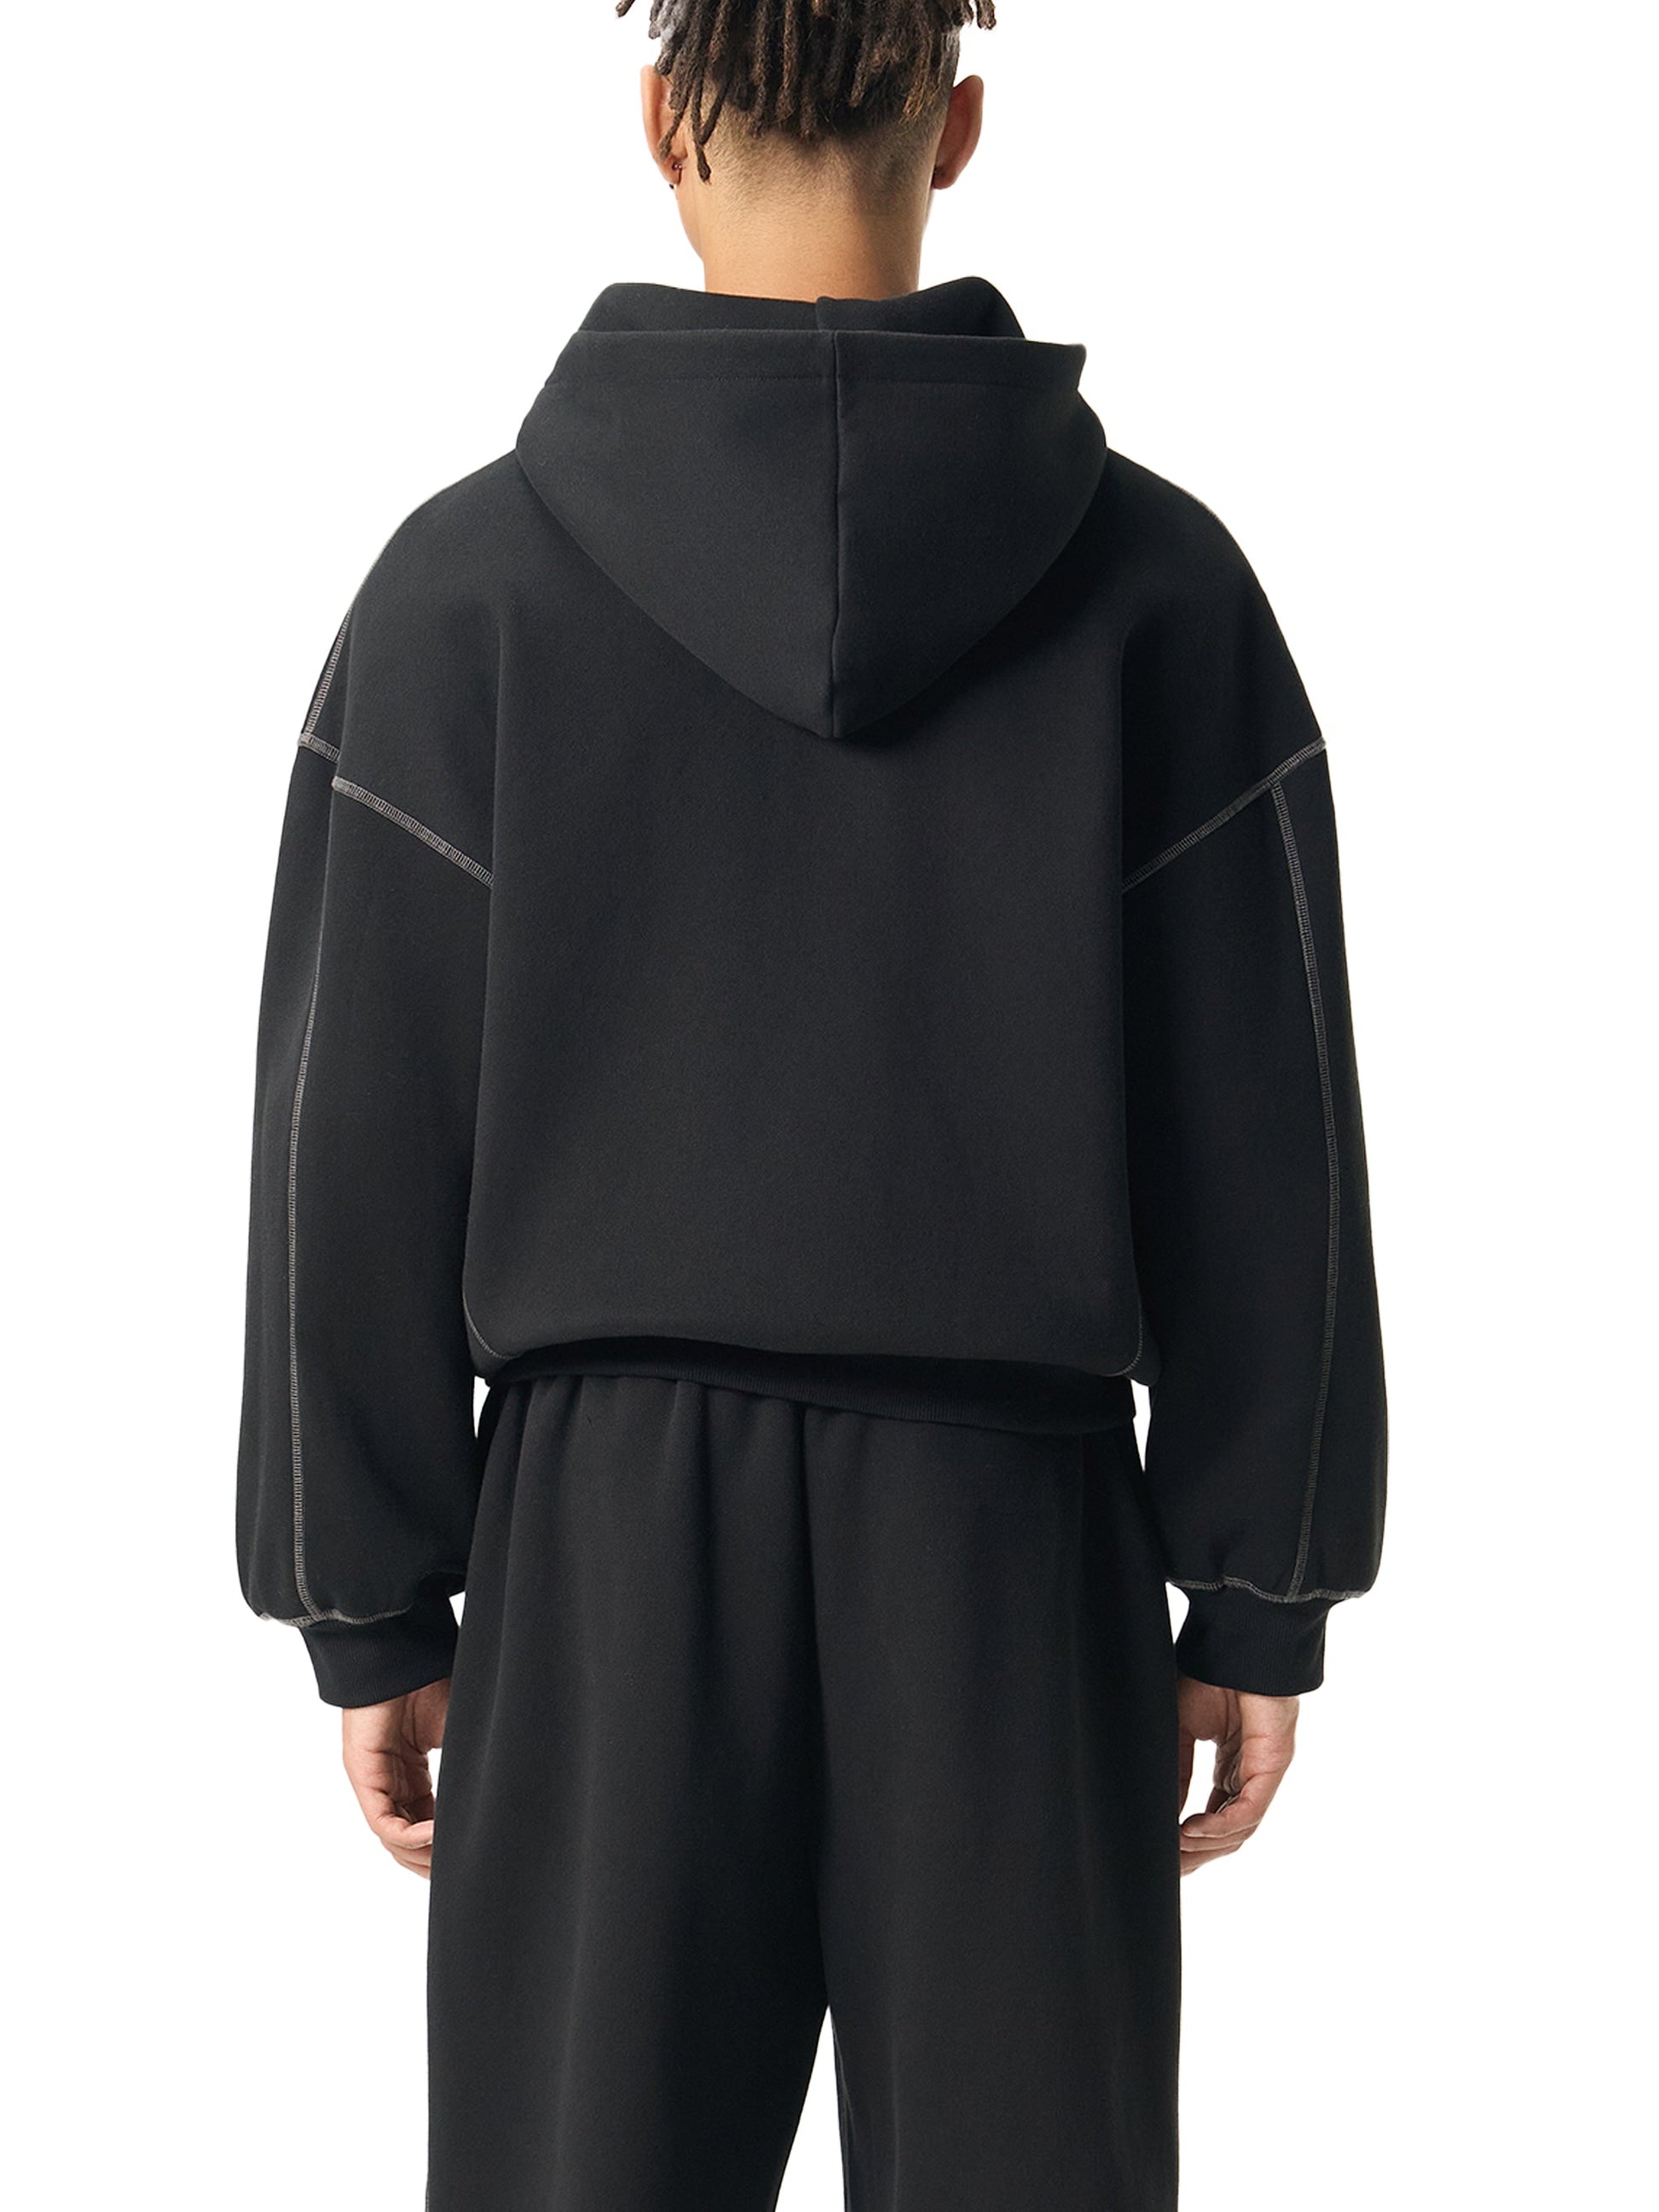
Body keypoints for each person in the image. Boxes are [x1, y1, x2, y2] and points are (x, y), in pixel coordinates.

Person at [236, 4, 1386, 2205]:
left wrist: (362, 1591)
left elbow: (344, 1132)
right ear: (958, 127)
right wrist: (1261, 1578)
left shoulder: (463, 592)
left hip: (602, 1551)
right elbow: (1270, 1132)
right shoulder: (1161, 593)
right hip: (1015, 1543)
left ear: (659, 121)